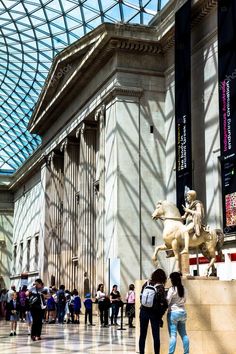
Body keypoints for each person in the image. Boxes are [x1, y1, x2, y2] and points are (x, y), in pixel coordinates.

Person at [139, 268, 168, 354]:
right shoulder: (160, 287)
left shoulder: (146, 283)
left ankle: (141, 352)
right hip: (154, 313)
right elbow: (163, 303)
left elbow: (141, 297)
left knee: (142, 335)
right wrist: (160, 316)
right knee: (156, 336)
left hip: (143, 311)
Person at [167, 272, 189, 354]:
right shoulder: (184, 289)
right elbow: (185, 300)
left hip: (173, 313)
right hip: (182, 312)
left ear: (172, 280)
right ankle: (186, 352)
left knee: (173, 335)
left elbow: (167, 301)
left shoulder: (172, 289)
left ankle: (171, 353)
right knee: (184, 334)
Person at [181, 189, 204, 254]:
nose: (187, 198)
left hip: (193, 222)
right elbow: (184, 217)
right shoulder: (189, 206)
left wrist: (188, 210)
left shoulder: (197, 204)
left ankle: (186, 249)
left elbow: (199, 213)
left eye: (188, 196)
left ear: (192, 196)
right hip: (187, 223)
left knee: (185, 231)